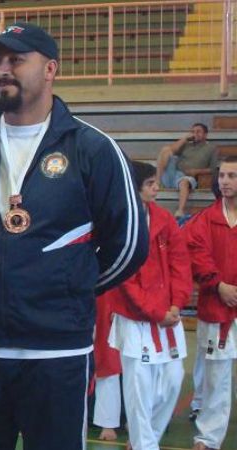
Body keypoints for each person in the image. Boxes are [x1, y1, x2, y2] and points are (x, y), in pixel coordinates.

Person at [0, 22, 148, 450]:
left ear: (50, 68)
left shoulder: (93, 149)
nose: (2, 70)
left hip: (55, 355)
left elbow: (129, 245)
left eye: (16, 59)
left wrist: (69, 287)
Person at [107, 160, 192, 450]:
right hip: (136, 317)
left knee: (172, 381)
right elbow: (124, 275)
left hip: (169, 314)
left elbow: (180, 262)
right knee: (138, 389)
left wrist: (178, 304)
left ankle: (146, 440)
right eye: (150, 184)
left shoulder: (165, 219)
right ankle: (145, 446)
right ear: (135, 187)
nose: (157, 188)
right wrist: (155, 311)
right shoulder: (120, 221)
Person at [184, 155, 237, 450]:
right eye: (222, 176)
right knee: (216, 376)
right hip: (216, 307)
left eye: (231, 176)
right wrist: (218, 284)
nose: (225, 182)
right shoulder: (205, 219)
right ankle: (207, 438)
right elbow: (194, 253)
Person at [156, 123, 219, 217]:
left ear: (205, 134)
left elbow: (213, 169)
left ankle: (180, 210)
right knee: (165, 150)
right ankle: (157, 181)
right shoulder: (186, 145)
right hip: (174, 173)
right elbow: (171, 149)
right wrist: (184, 138)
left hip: (189, 177)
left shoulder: (212, 148)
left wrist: (196, 171)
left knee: (184, 182)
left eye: (198, 132)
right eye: (193, 132)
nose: (195, 134)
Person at [92, 290, 122, 441]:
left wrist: (119, 304)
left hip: (109, 296)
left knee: (108, 362)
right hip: (79, 293)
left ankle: (108, 423)